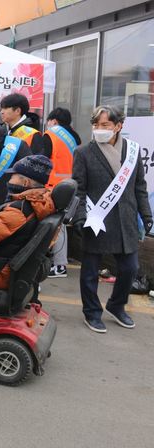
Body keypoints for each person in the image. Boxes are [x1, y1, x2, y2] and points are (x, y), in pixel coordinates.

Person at [72, 105, 152, 333]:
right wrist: (79, 217)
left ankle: (117, 306)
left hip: (125, 219)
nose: (99, 129)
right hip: (96, 219)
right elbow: (79, 189)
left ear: (119, 126)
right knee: (89, 272)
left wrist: (146, 214)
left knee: (129, 268)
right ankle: (92, 312)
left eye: (105, 125)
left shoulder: (133, 151)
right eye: (96, 125)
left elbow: (139, 186)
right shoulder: (83, 152)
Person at [0, 155, 55, 289]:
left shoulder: (19, 210)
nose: (9, 180)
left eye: (13, 176)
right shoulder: (38, 204)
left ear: (25, 183)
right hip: (4, 269)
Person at [43, 107, 82, 278]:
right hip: (69, 185)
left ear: (55, 121)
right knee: (61, 224)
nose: (47, 124)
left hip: (52, 186)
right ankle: (59, 263)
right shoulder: (75, 139)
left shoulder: (51, 135)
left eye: (49, 121)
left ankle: (59, 265)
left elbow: (43, 160)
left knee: (56, 225)